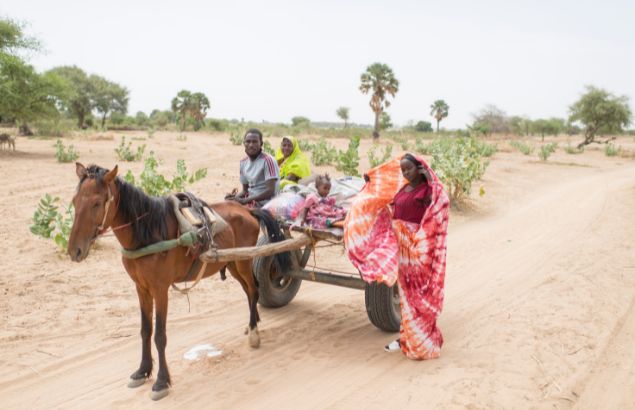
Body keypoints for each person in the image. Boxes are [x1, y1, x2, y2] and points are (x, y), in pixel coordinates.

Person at [344, 153, 449, 360]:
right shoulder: (403, 188)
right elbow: (387, 199)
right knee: (406, 296)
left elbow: (441, 202)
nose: (405, 173)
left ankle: (422, 343)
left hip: (418, 250)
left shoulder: (428, 191)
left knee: (418, 296)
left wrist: (429, 176)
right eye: (402, 170)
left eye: (409, 169)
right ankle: (406, 338)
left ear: (419, 168)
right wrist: (372, 183)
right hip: (402, 249)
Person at [225, 128, 280, 208]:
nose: (251, 145)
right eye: (248, 141)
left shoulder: (268, 161)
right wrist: (234, 199)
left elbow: (270, 191)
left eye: (255, 142)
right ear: (244, 143)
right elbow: (245, 190)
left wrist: (246, 200)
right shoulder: (243, 162)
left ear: (261, 144)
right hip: (250, 200)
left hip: (267, 203)